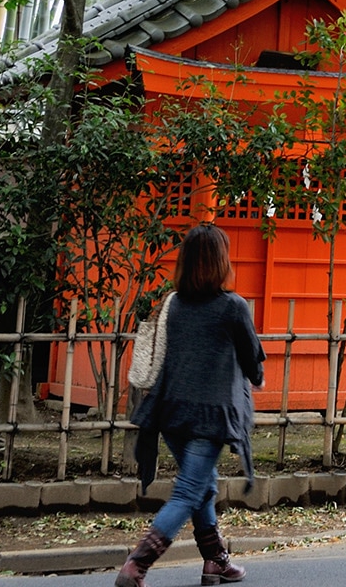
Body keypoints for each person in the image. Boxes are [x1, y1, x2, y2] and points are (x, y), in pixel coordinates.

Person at [116, 224, 266, 587]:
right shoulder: (233, 307)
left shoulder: (176, 304)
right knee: (188, 491)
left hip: (170, 413)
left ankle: (215, 560)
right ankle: (136, 565)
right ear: (220, 262)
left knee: (203, 487)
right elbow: (254, 365)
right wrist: (253, 377)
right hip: (208, 417)